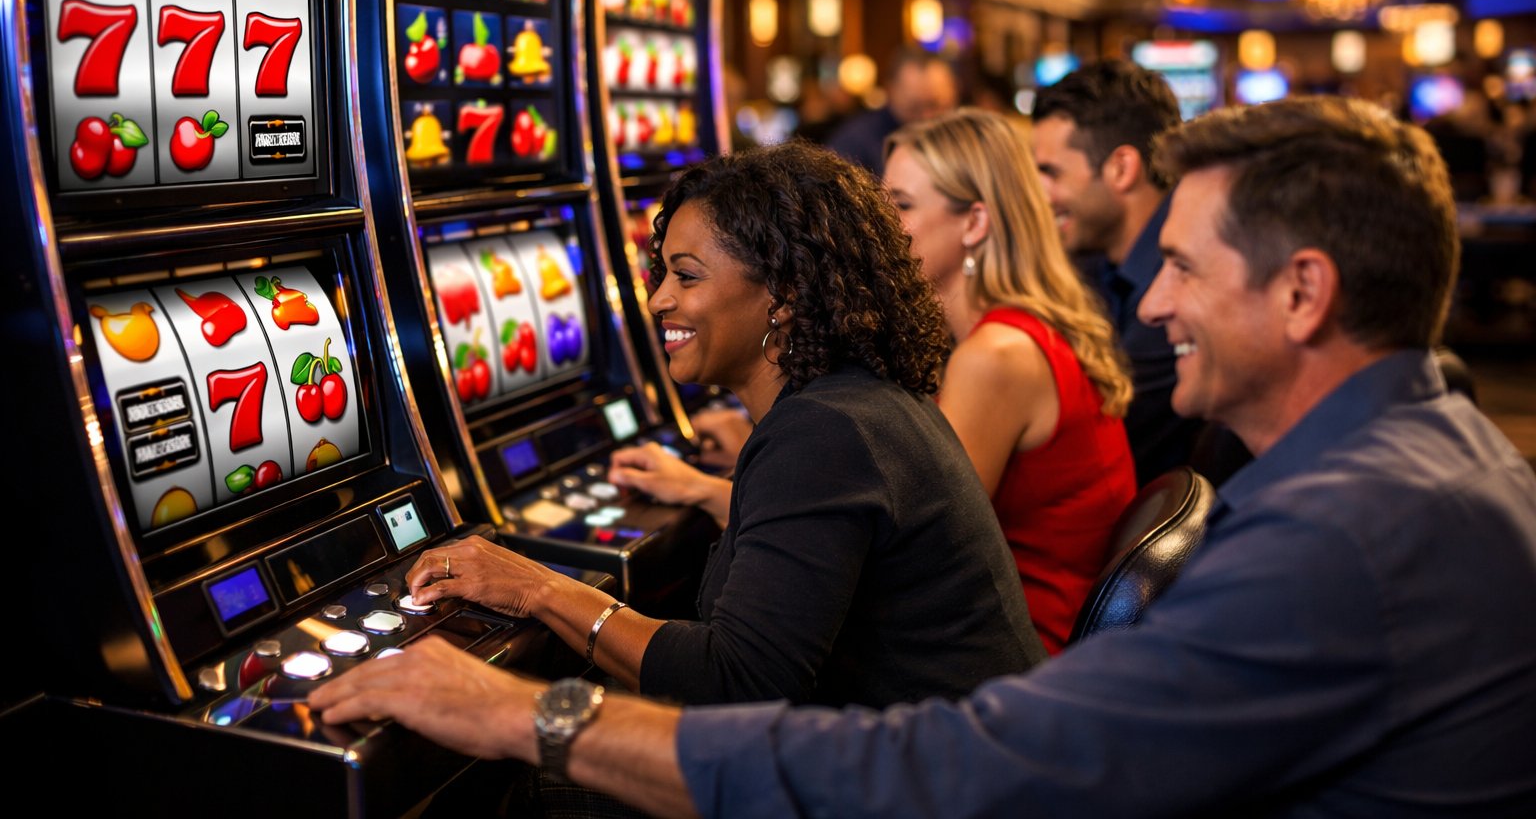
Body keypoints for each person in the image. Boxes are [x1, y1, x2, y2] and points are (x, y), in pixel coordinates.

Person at [311, 96, 1536, 817]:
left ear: (1305, 292)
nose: (1149, 305)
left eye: (1184, 265)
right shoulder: (1431, 462)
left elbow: (966, 773)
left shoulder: (1342, 536)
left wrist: (540, 713)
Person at [389, 142, 1043, 712]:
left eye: (686, 276)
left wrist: (537, 587)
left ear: (783, 295)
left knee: (532, 770)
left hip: (923, 787)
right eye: (661, 273)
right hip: (936, 759)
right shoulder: (856, 401)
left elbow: (735, 681)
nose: (656, 300)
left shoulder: (820, 434)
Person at [883, 109, 1137, 654]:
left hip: (1020, 661)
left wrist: (723, 494)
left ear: (975, 223)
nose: (876, 226)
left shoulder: (998, 355)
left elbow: (908, 545)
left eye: (899, 206)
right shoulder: (1017, 331)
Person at [1030, 60, 1212, 485]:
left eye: (1050, 172)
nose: (1039, 195)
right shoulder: (1096, 265)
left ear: (1121, 169)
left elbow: (1097, 449)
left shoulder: (1175, 290)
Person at [826, 47, 958, 172]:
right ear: (890, 91)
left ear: (955, 90)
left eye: (935, 105)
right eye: (914, 108)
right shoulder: (855, 144)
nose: (926, 117)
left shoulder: (966, 140)